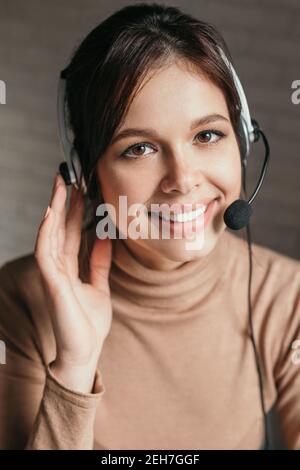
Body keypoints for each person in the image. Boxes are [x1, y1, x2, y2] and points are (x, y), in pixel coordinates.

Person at [0, 2, 299, 450]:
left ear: (241, 139)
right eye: (139, 148)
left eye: (207, 135)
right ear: (88, 174)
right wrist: (75, 367)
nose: (182, 180)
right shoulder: (18, 302)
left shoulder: (287, 297)